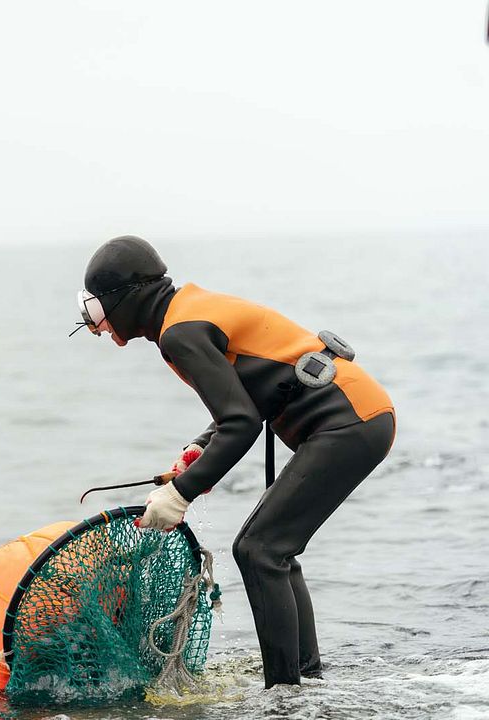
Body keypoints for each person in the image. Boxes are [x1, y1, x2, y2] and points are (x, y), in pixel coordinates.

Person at [77, 235, 395, 688]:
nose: (99, 326)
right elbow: (247, 401)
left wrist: (179, 494)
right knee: (273, 549)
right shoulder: (186, 311)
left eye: (95, 311)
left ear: (125, 297)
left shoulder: (180, 333)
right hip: (362, 417)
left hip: (348, 422)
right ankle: (307, 682)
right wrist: (200, 450)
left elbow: (241, 424)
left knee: (259, 550)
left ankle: (283, 696)